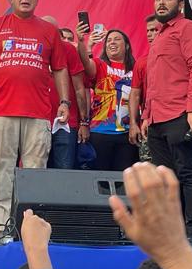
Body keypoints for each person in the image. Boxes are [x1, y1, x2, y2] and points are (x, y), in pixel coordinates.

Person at [0, 0, 71, 244]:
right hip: (2, 110)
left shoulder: (49, 30)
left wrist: (64, 102)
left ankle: (30, 229)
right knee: (2, 170)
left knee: (34, 173)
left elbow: (60, 69)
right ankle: (1, 229)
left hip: (38, 113)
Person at [141, 0, 192, 248]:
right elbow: (155, 80)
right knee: (166, 179)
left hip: (181, 113)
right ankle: (174, 230)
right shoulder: (158, 34)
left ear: (180, 4)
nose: (161, 3)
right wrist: (147, 115)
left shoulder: (187, 28)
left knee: (189, 173)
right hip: (158, 118)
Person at [75, 24, 138, 171]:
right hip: (100, 132)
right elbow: (85, 63)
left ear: (127, 46)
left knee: (125, 181)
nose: (112, 42)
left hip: (127, 133)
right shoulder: (100, 64)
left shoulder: (136, 68)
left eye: (117, 39)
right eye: (109, 40)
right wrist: (81, 41)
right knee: (100, 180)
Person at [42, 15, 90, 171]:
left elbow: (79, 88)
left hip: (65, 123)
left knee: (64, 172)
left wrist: (83, 123)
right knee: (36, 172)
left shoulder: (68, 49)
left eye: (53, 31)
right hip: (36, 123)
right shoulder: (32, 49)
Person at [128, 15, 160, 163]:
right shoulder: (141, 62)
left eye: (154, 30)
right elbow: (134, 95)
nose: (150, 34)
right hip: (149, 124)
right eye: (148, 31)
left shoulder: (178, 56)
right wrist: (134, 124)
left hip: (174, 121)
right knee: (149, 170)